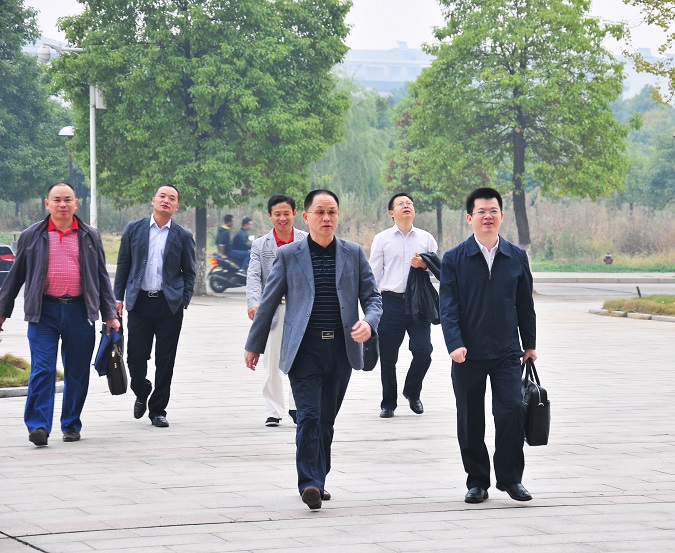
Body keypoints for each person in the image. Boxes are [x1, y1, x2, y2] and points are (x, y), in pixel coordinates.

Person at [244, 190, 382, 510]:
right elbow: (268, 302)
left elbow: (373, 298)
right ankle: (309, 482)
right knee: (308, 416)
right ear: (306, 217)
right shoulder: (289, 255)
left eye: (332, 212)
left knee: (326, 421)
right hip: (304, 349)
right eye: (320, 212)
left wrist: (369, 322)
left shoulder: (353, 253)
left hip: (341, 349)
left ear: (338, 216)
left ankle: (319, 478)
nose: (326, 218)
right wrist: (255, 345)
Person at [0, 181, 119, 446]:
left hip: (80, 311)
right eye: (57, 200)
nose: (62, 204)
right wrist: (2, 312)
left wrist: (110, 314)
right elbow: (15, 277)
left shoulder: (90, 236)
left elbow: (101, 277)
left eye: (67, 200)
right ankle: (39, 426)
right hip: (43, 312)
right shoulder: (32, 235)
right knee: (42, 369)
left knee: (77, 371)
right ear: (47, 204)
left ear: (76, 203)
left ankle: (71, 424)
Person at [439, 187, 537, 504]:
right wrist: (454, 344)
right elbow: (448, 308)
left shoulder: (516, 257)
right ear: (470, 218)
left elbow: (525, 305)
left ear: (502, 216)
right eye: (481, 211)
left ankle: (510, 479)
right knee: (470, 419)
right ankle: (477, 481)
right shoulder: (454, 259)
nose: (487, 216)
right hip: (467, 354)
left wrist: (530, 344)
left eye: (493, 211)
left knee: (511, 412)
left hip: (507, 351)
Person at [114, 184, 196, 428]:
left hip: (168, 305)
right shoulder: (134, 229)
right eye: (162, 196)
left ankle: (158, 409)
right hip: (139, 303)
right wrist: (117, 298)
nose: (166, 200)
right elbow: (123, 264)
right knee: (135, 358)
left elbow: (190, 272)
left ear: (177, 206)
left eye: (172, 198)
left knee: (165, 360)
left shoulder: (182, 235)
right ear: (153, 200)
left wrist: (183, 300)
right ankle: (142, 390)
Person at [369, 192, 438, 418]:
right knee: (388, 357)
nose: (406, 205)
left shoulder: (426, 238)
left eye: (409, 203)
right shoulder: (382, 239)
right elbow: (374, 274)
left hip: (418, 303)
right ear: (392, 212)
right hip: (390, 302)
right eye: (400, 203)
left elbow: (436, 268)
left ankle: (412, 391)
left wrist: (424, 264)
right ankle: (388, 403)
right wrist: (371, 306)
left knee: (424, 351)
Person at [246, 195, 307, 427]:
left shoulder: (306, 240)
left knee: (301, 358)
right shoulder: (260, 245)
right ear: (270, 216)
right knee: (271, 362)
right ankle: (273, 410)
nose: (282, 218)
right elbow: (254, 276)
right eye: (277, 214)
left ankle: (298, 406)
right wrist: (254, 303)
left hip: (301, 309)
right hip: (273, 309)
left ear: (294, 214)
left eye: (286, 213)